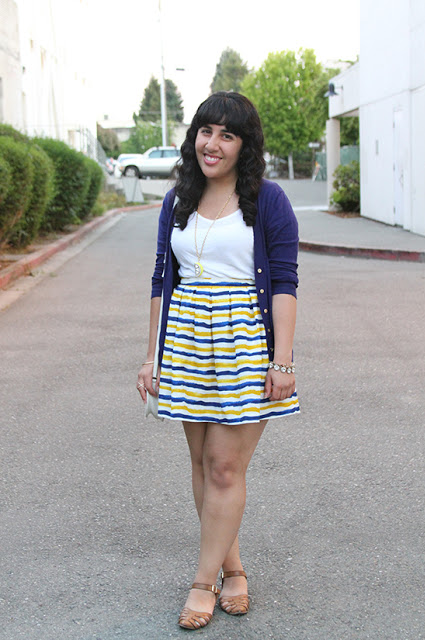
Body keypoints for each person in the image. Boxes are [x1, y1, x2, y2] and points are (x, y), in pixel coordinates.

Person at [137, 91, 300, 630]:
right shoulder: (177, 198)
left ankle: (201, 582)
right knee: (203, 464)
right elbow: (163, 279)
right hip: (186, 340)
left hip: (243, 343)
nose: (213, 143)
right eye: (206, 131)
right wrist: (150, 356)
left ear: (244, 145)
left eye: (227, 135)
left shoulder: (267, 200)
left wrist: (282, 362)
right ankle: (232, 569)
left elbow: (284, 285)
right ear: (195, 136)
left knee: (227, 467)